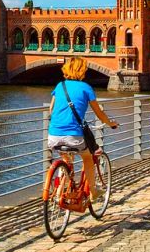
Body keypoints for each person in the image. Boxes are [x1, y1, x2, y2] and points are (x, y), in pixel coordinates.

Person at [48, 57, 118, 201]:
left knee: (66, 159)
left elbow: (51, 110)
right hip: (74, 136)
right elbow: (99, 113)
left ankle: (61, 189)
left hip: (53, 135)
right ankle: (92, 192)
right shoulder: (86, 88)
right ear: (82, 71)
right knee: (87, 158)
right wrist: (110, 123)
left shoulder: (60, 86)